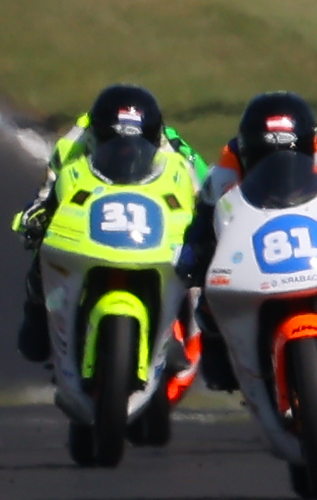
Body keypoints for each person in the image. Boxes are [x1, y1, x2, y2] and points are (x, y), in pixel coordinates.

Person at [180, 93, 317, 390]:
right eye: (265, 158)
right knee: (208, 302)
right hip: (256, 243)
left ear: (309, 146)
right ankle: (232, 358)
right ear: (247, 152)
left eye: (291, 155)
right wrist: (194, 254)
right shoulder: (224, 171)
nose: (281, 165)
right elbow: (202, 224)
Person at [12, 84, 202, 363]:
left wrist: (205, 225)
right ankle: (38, 312)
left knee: (195, 263)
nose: (125, 151)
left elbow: (204, 192)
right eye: (114, 144)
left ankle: (181, 329)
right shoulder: (73, 143)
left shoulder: (175, 148)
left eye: (135, 145)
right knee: (45, 244)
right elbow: (48, 191)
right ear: (96, 134)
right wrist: (36, 214)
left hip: (151, 216)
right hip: (96, 206)